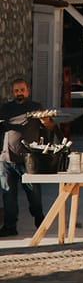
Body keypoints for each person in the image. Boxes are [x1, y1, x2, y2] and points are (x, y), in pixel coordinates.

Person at [0, 78, 55, 237]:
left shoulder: (36, 108)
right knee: (8, 195)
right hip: (6, 159)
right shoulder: (6, 108)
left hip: (29, 159)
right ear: (13, 92)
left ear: (28, 91)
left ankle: (39, 220)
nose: (19, 93)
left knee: (34, 194)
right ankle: (10, 226)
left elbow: (50, 126)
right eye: (17, 90)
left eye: (22, 90)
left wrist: (46, 121)